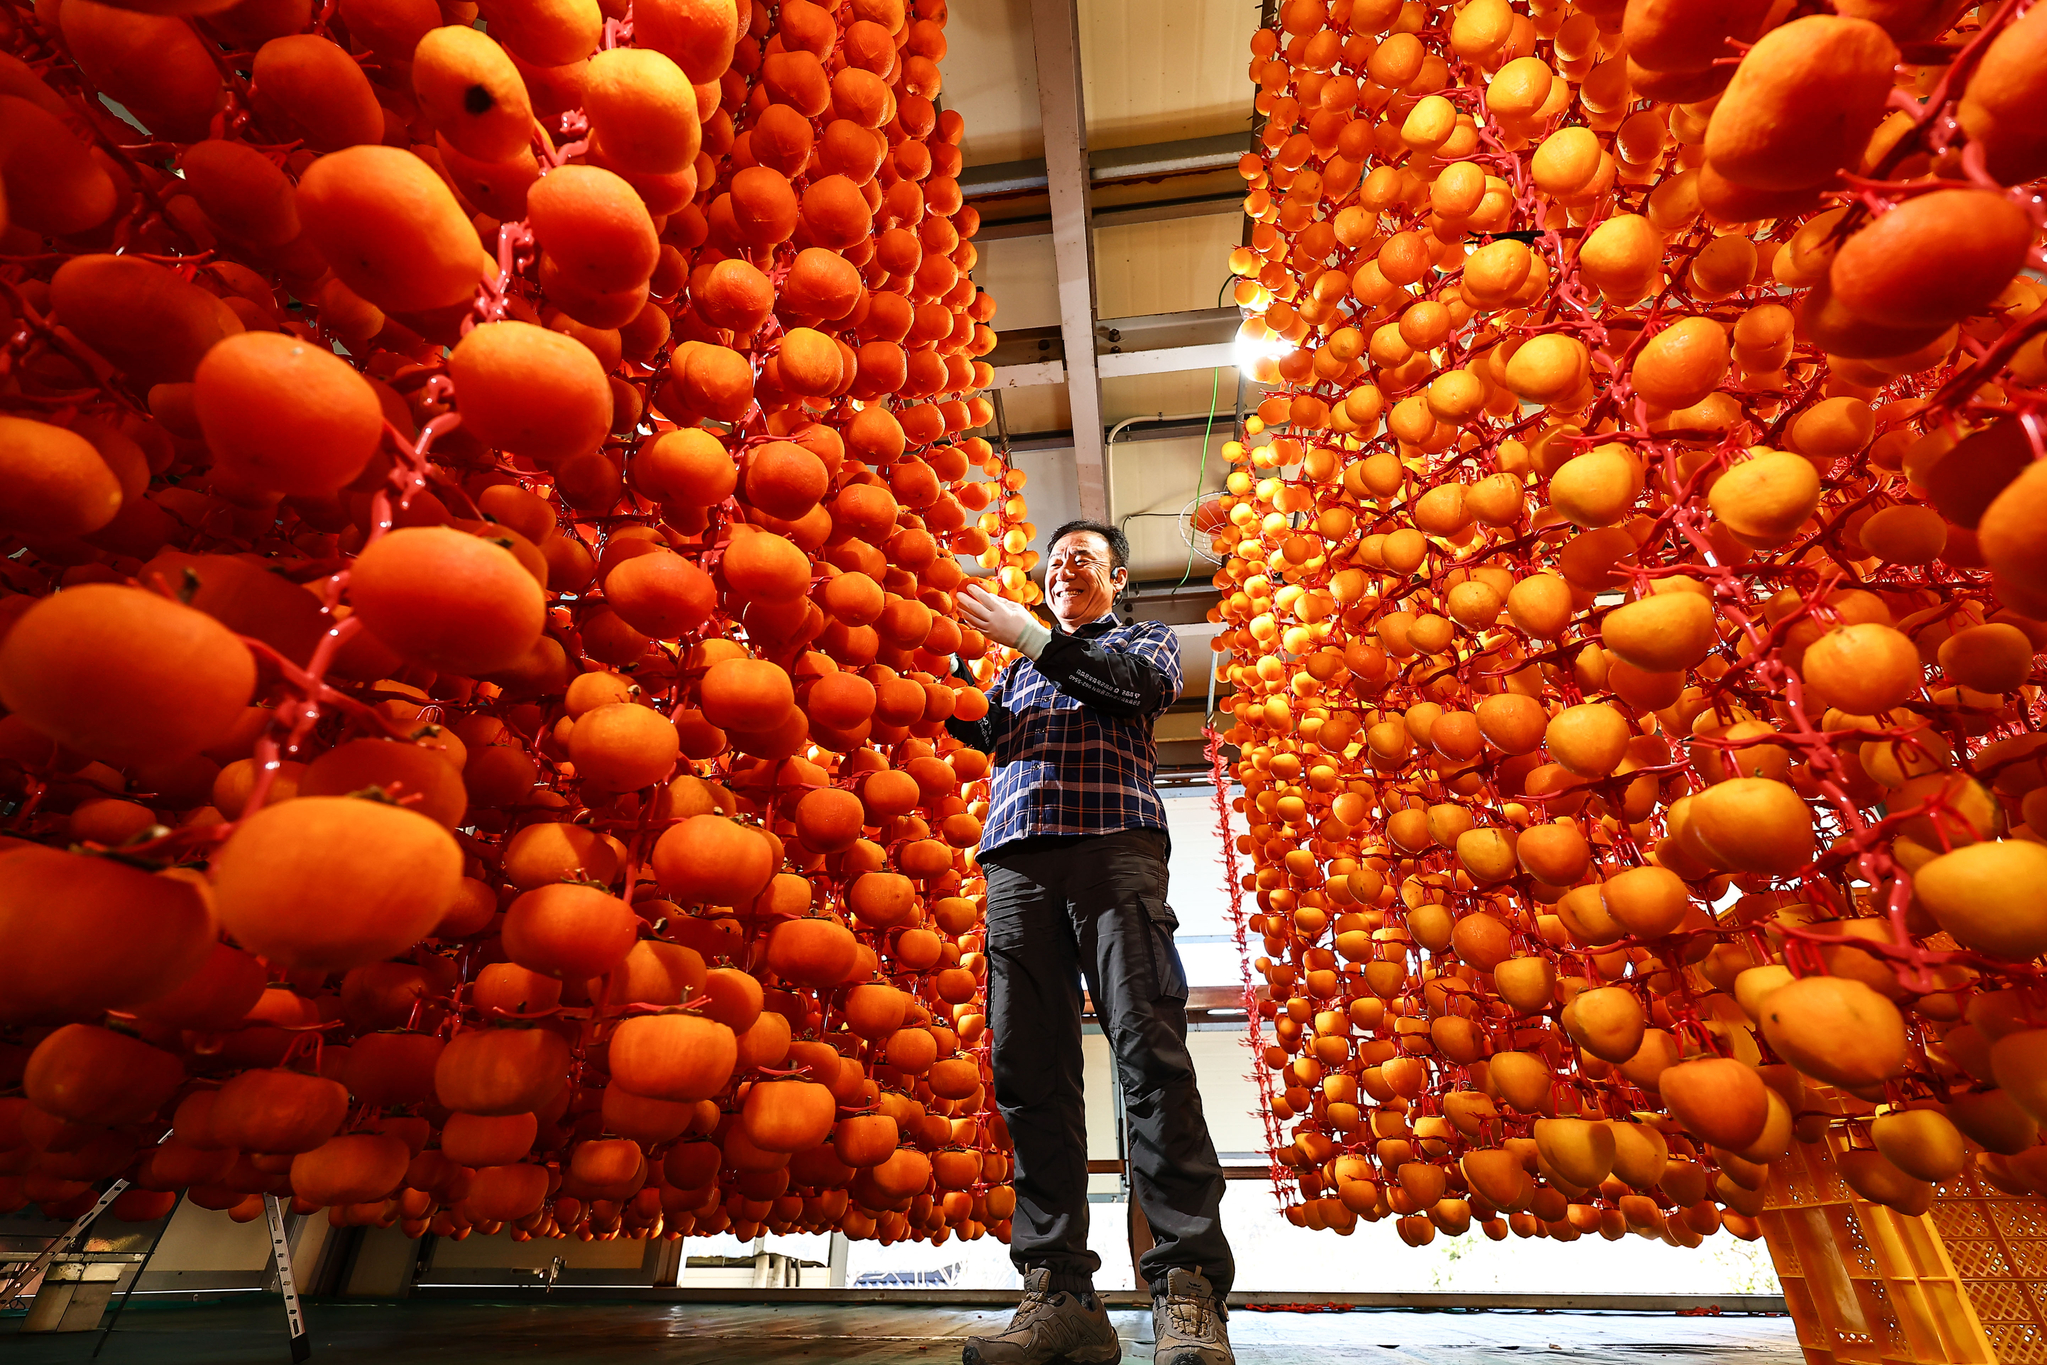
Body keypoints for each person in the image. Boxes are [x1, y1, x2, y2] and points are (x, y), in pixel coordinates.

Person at [946, 519, 1234, 1365]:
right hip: (1016, 865)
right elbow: (982, 731)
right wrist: (939, 668)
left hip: (1113, 848)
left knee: (1150, 1058)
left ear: (1116, 581)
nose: (1063, 566)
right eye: (1053, 559)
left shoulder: (1142, 642)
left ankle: (1186, 1288)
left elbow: (1128, 689)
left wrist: (1033, 637)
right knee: (1028, 1074)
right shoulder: (1016, 670)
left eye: (1084, 558)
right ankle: (1059, 1292)